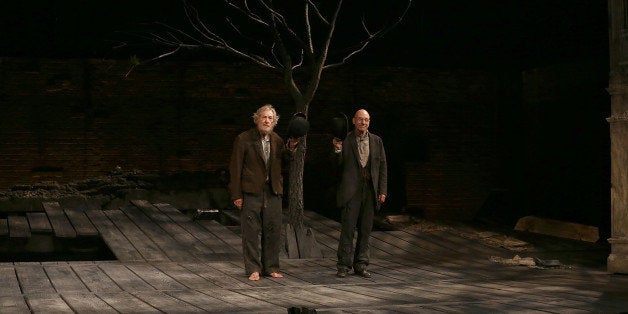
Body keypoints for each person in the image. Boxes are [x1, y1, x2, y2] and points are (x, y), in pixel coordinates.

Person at [229, 104, 298, 281]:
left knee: (273, 230)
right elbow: (235, 169)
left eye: (270, 118)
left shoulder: (277, 140)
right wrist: (236, 194)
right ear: (257, 119)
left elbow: (286, 162)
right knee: (251, 231)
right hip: (251, 191)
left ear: (274, 122)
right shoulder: (244, 139)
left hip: (273, 191)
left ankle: (271, 267)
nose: (267, 120)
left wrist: (291, 149)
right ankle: (253, 268)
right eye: (264, 117)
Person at [332, 109, 387, 278]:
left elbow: (383, 166)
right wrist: (337, 150)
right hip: (351, 192)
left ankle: (361, 264)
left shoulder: (376, 141)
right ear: (354, 121)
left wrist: (382, 190)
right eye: (361, 120)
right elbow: (337, 165)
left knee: (365, 230)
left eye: (367, 120)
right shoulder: (346, 140)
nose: (364, 123)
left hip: (370, 191)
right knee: (348, 229)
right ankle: (343, 266)